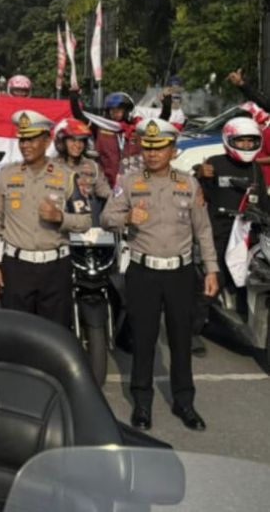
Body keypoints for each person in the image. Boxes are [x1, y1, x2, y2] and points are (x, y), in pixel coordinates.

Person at [101, 119, 218, 432]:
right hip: (143, 272)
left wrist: (211, 269)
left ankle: (184, 402)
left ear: (173, 149)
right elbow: (106, 217)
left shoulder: (189, 184)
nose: (152, 153)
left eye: (159, 147)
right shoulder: (128, 181)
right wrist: (126, 217)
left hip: (179, 272)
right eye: (148, 147)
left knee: (181, 339)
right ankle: (142, 403)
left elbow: (202, 230)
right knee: (144, 339)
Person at [0, 110, 92, 327]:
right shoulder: (6, 175)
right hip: (16, 268)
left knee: (54, 335)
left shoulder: (67, 177)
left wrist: (60, 217)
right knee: (15, 333)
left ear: (47, 140)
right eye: (22, 139)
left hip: (55, 268)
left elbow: (85, 221)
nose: (26, 145)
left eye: (32, 139)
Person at [194, 117, 268, 350]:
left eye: (251, 141)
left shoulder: (255, 169)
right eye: (241, 141)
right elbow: (197, 190)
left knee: (258, 272)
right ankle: (192, 330)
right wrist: (199, 173)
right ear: (229, 140)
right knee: (216, 277)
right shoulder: (214, 163)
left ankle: (247, 316)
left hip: (250, 233)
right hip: (220, 230)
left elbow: (265, 203)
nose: (246, 145)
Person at [71, 90, 173, 187]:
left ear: (127, 111)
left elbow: (160, 123)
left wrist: (167, 106)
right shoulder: (100, 128)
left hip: (134, 185)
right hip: (106, 186)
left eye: (118, 110)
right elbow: (79, 116)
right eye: (112, 110)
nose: (115, 113)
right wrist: (74, 98)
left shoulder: (138, 129)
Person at [53, 118, 110, 212]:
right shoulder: (51, 166)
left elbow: (105, 191)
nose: (78, 145)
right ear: (62, 142)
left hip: (87, 220)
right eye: (72, 140)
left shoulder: (93, 166)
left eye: (81, 141)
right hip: (58, 220)